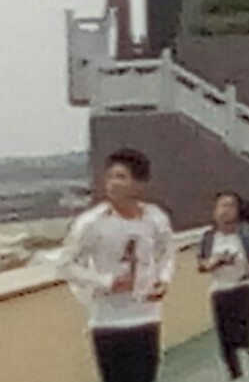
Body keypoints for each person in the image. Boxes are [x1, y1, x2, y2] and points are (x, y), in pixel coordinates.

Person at [55, 148, 175, 382]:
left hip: (146, 316)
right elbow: (65, 265)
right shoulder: (91, 223)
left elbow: (167, 252)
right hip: (107, 321)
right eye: (110, 177)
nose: (113, 183)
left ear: (139, 184)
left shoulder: (155, 218)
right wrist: (106, 281)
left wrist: (164, 279)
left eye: (121, 177)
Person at [197, 192, 249, 379]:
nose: (224, 211)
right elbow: (201, 264)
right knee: (224, 337)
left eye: (229, 206)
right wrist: (215, 262)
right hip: (220, 288)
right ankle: (235, 373)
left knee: (242, 329)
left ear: (238, 211)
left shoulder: (247, 233)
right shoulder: (209, 237)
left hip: (243, 285)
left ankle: (248, 342)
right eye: (220, 206)